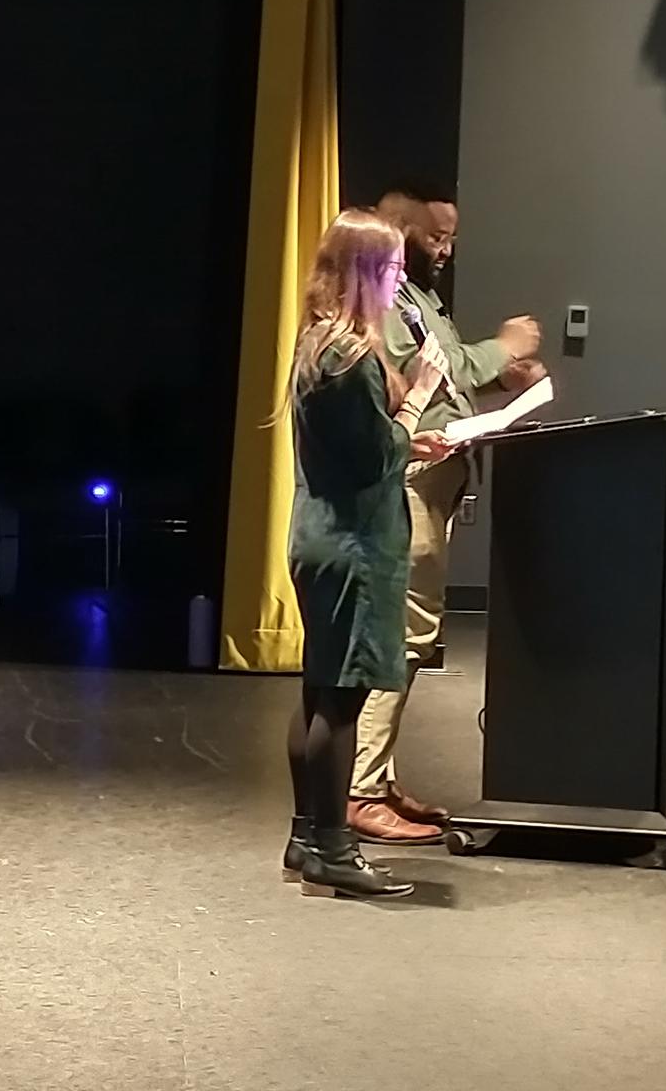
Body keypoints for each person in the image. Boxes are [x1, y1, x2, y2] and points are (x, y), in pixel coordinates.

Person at [348, 182, 546, 845]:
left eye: (451, 238)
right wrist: (506, 345)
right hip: (407, 483)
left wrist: (495, 381)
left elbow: (448, 380)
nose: (446, 250)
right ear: (395, 226)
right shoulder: (382, 298)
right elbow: (438, 365)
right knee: (398, 636)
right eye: (435, 237)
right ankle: (361, 788)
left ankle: (379, 777)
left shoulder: (422, 296)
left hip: (434, 480)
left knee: (410, 634)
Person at [283, 208, 455, 899]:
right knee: (343, 702)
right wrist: (416, 404)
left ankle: (306, 837)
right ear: (362, 274)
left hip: (323, 536)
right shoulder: (349, 355)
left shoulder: (320, 343)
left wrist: (406, 438)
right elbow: (372, 453)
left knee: (318, 691)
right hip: (354, 545)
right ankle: (334, 848)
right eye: (389, 269)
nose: (400, 279)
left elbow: (357, 445)